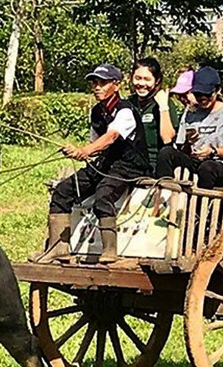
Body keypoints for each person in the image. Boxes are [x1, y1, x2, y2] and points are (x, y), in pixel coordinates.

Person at [29, 64, 149, 265]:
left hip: (129, 165)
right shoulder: (96, 112)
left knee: (104, 193)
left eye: (102, 83)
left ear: (116, 85)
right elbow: (97, 144)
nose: (97, 87)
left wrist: (84, 151)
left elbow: (111, 137)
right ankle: (58, 248)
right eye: (95, 83)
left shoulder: (125, 110)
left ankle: (110, 250)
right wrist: (80, 153)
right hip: (106, 162)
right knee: (63, 190)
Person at [153, 66, 223, 189]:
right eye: (198, 94)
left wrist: (212, 152)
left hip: (219, 164)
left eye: (207, 94)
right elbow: (181, 147)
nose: (202, 99)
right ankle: (164, 195)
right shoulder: (190, 113)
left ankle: (201, 206)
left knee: (207, 168)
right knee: (166, 153)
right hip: (194, 160)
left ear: (217, 90)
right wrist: (188, 143)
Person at [127, 58, 179, 171]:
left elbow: (167, 138)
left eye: (147, 79)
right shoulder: (128, 103)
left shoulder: (165, 103)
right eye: (137, 78)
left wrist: (163, 108)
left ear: (156, 80)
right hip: (132, 163)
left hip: (156, 164)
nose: (141, 84)